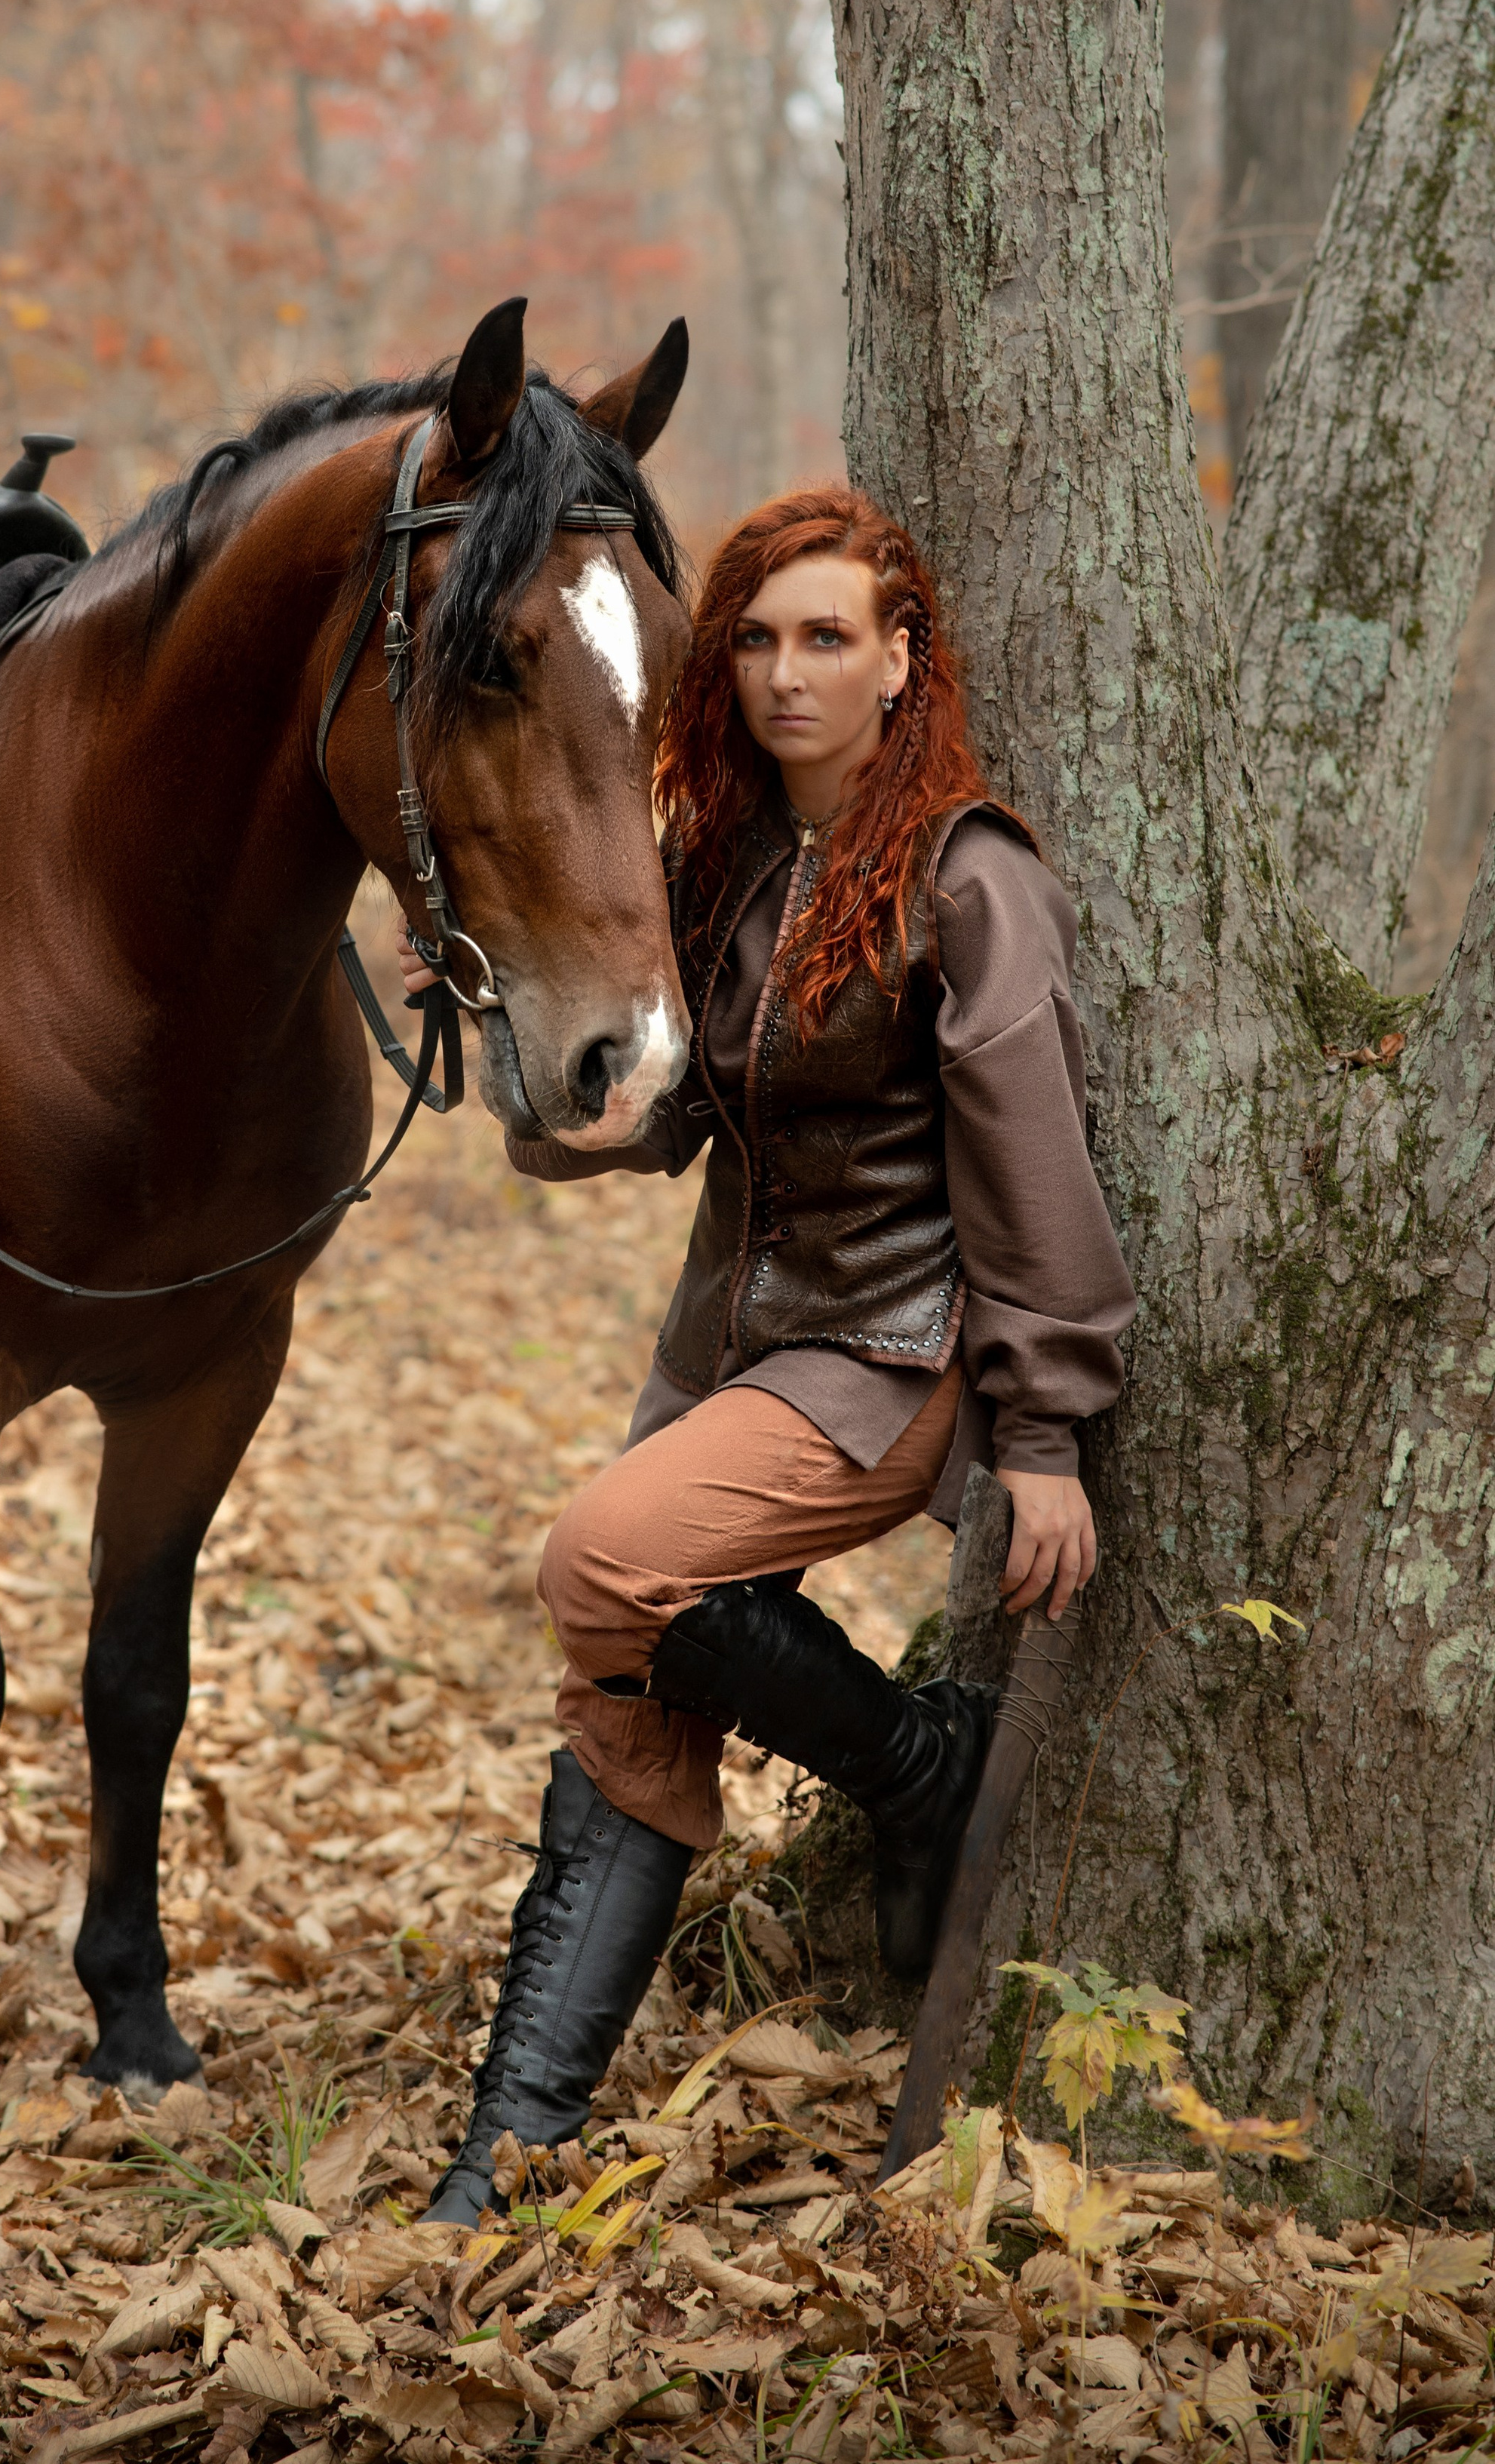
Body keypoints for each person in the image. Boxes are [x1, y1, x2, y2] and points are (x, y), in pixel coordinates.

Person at [408, 484, 1135, 2229]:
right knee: (621, 1695)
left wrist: (1039, 1433)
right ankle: (504, 2157)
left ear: (899, 662)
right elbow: (664, 1118)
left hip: (895, 1352)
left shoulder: (970, 878)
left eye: (826, 637)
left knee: (597, 1563)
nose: (784, 672)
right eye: (753, 639)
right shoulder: (723, 865)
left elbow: (1034, 1176)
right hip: (726, 1351)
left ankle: (912, 1763)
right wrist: (537, 1079)